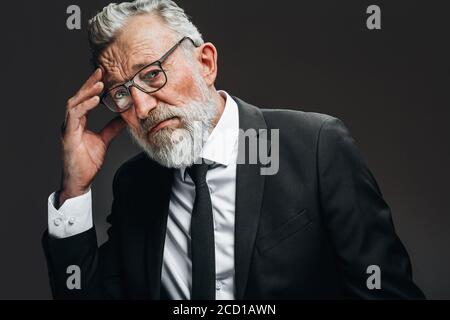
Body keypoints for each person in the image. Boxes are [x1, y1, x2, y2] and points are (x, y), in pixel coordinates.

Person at [42, 0, 425, 300]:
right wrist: (74, 190)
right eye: (122, 94)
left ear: (205, 63)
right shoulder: (136, 184)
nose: (141, 109)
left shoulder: (315, 147)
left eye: (152, 74)